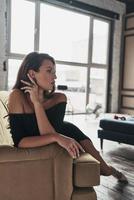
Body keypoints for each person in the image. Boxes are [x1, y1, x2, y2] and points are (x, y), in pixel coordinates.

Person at [8, 52, 128, 184]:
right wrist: (56, 136)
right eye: (49, 71)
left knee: (103, 170)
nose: (55, 76)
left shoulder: (59, 98)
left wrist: (38, 104)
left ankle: (114, 171)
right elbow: (20, 141)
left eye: (55, 72)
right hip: (61, 136)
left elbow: (46, 134)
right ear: (32, 74)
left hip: (69, 132)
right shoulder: (16, 96)